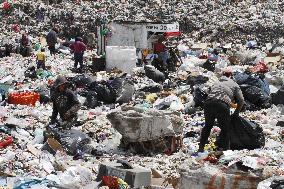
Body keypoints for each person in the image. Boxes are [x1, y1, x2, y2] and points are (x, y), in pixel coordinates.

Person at [198, 72, 244, 152]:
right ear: (231, 76)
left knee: (208, 126)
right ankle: (226, 151)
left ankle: (201, 148)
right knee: (225, 128)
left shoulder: (216, 82)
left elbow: (209, 93)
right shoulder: (234, 84)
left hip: (208, 103)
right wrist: (236, 112)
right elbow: (241, 100)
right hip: (222, 104)